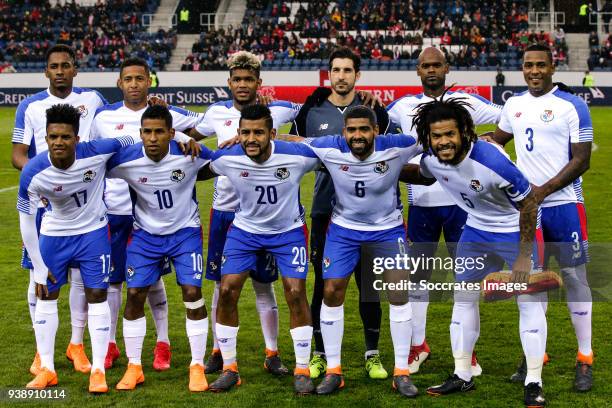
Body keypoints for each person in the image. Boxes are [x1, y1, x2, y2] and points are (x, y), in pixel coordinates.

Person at [410, 95, 546, 408]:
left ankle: (534, 381)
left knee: (528, 301)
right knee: (464, 298)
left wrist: (524, 255)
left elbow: (528, 203)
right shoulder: (431, 159)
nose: (443, 142)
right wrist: (379, 168)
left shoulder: (492, 162)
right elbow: (422, 174)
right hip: (475, 230)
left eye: (449, 134)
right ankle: (462, 374)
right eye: (436, 136)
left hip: (513, 230)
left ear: (465, 133)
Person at [386, 46, 502, 375]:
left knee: (465, 281)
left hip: (462, 206)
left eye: (437, 64)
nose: (432, 70)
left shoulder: (467, 103)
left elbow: (506, 116)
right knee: (418, 279)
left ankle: (467, 353)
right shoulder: (403, 107)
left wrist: (493, 140)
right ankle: (418, 345)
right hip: (422, 205)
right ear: (418, 71)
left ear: (447, 67)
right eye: (426, 66)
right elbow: (374, 119)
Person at [296, 105, 423, 397]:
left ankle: (401, 371)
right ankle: (334, 371)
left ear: (376, 131)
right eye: (351, 130)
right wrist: (256, 139)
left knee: (398, 292)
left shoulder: (397, 146)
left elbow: (431, 139)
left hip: (388, 230)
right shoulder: (330, 147)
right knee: (331, 291)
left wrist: (479, 140)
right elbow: (296, 143)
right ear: (344, 132)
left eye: (364, 129)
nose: (358, 136)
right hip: (343, 230)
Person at [90, 57, 206, 370]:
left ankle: (163, 343)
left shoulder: (166, 113)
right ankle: (112, 344)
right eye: (128, 79)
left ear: (148, 81)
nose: (134, 84)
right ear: (120, 83)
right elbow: (93, 157)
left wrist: (185, 138)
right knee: (116, 282)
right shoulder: (103, 117)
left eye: (140, 78)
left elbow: (204, 128)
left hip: (158, 212)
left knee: (152, 282)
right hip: (115, 208)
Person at [197, 104, 319, 394]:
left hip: (287, 232)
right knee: (226, 290)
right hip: (245, 232)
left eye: (258, 133)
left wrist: (294, 140)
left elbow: (332, 152)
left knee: (295, 292)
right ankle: (230, 368)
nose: (251, 139)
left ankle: (302, 369)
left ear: (272, 133)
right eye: (245, 133)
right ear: (238, 134)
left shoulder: (296, 157)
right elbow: (197, 169)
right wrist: (184, 146)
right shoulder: (229, 157)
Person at [493, 43, 594, 392]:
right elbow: (498, 140)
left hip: (565, 205)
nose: (534, 71)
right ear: (521, 68)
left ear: (553, 67)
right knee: (533, 281)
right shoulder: (514, 105)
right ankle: (536, 355)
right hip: (529, 210)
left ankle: (585, 357)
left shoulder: (573, 105)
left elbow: (582, 160)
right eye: (528, 65)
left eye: (540, 65)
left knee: (574, 277)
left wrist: (544, 190)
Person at [194, 51, 301, 376]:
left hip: (268, 216)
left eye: (248, 79)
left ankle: (272, 352)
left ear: (259, 83)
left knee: (263, 284)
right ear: (229, 82)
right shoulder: (215, 112)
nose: (242, 84)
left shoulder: (279, 111)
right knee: (220, 284)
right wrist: (186, 143)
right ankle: (217, 350)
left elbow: (307, 126)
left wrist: (276, 136)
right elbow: (190, 138)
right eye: (237, 79)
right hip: (226, 212)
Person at [17, 104, 136, 392]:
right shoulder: (34, 171)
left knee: (97, 294)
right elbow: (26, 221)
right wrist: (38, 266)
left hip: (93, 233)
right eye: (52, 137)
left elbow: (129, 139)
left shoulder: (97, 151)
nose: (59, 142)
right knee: (46, 293)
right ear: (46, 138)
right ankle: (47, 368)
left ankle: (98, 371)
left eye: (66, 137)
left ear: (77, 139)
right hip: (54, 236)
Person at [290, 47, 391, 380]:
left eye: (348, 70)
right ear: (329, 74)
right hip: (325, 211)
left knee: (369, 284)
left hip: (369, 214)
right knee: (324, 283)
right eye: (336, 70)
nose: (341, 76)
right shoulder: (312, 110)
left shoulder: (375, 113)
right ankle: (320, 353)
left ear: (357, 75)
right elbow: (295, 148)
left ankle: (372, 354)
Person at [12, 44, 107, 377]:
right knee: (38, 279)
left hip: (82, 204)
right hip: (44, 203)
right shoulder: (30, 105)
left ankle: (76, 345)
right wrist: (44, 181)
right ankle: (43, 354)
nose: (60, 71)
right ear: (46, 71)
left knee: (83, 281)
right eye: (54, 66)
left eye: (66, 65)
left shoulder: (94, 100)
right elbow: (18, 155)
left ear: (76, 68)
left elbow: (111, 135)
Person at [107, 105, 211, 392]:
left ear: (170, 133)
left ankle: (197, 366)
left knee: (192, 293)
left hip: (185, 233)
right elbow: (91, 167)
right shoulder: (126, 160)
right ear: (140, 133)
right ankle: (134, 366)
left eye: (159, 132)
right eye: (147, 132)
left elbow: (224, 162)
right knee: (135, 294)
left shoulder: (189, 154)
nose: (152, 138)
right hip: (145, 235)